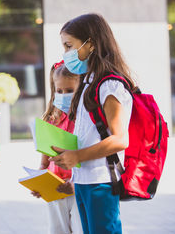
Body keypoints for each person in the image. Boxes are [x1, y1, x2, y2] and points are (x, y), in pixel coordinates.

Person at [50, 13, 136, 234]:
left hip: (101, 182)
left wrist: (77, 156)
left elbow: (119, 139)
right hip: (83, 181)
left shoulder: (110, 85)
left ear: (91, 44)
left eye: (70, 46)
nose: (66, 53)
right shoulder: (89, 82)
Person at [32, 61, 83, 234]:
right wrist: (38, 182)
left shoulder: (85, 121)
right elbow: (44, 163)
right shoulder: (50, 120)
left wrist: (75, 185)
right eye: (59, 91)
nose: (63, 95)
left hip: (79, 190)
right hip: (54, 191)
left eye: (69, 90)